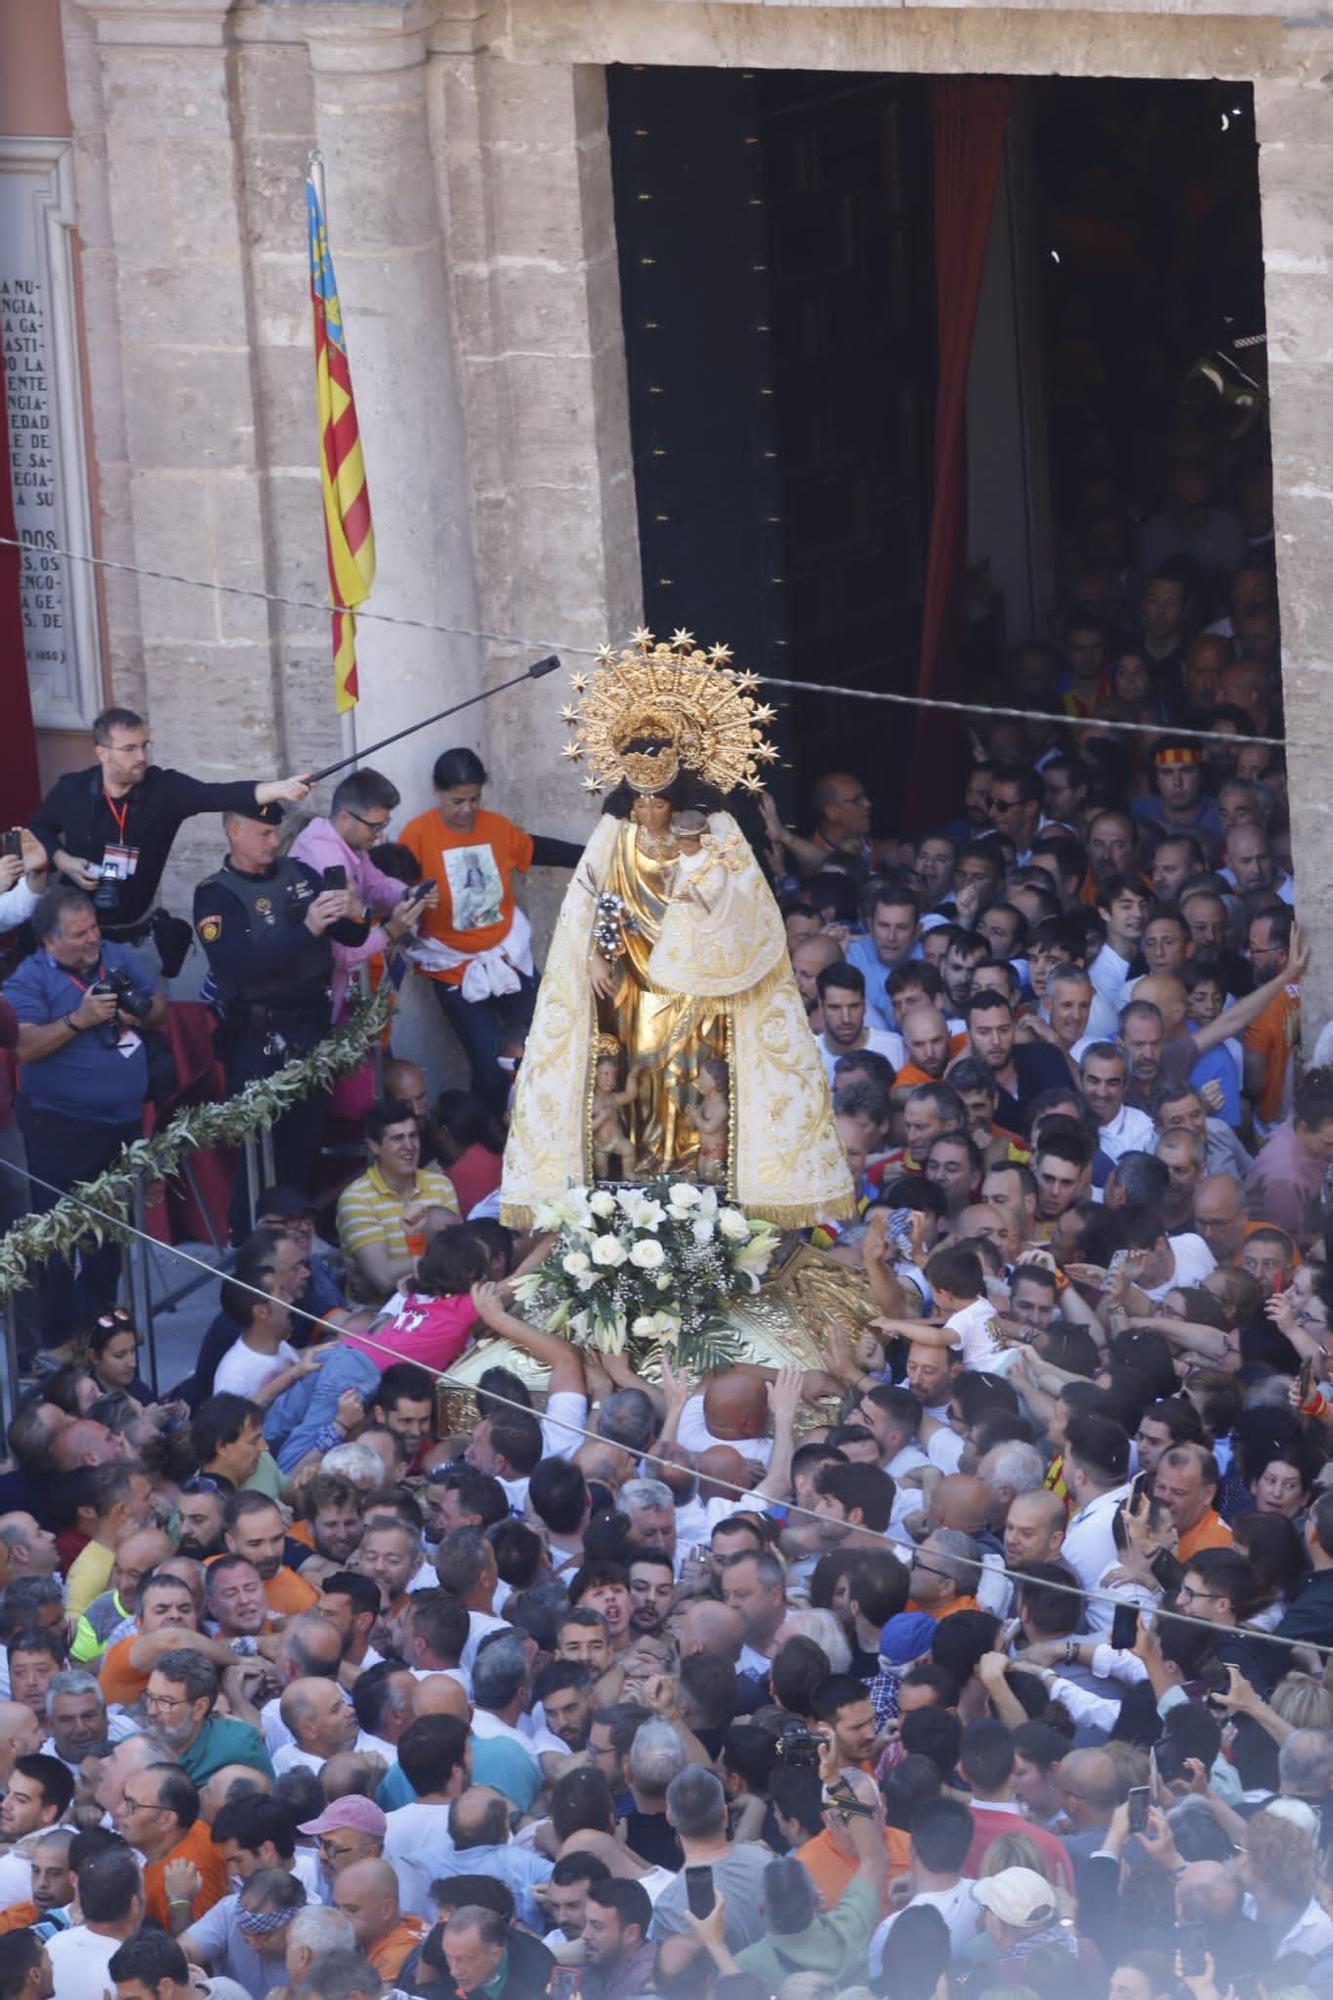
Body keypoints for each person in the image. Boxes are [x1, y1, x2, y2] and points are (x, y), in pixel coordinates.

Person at [501, 634, 853, 1226]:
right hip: (630, 980)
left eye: (656, 798)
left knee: (691, 1074)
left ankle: (700, 1178)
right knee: (636, 1072)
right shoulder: (614, 832)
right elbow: (592, 901)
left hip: (698, 978)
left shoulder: (713, 829)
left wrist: (700, 882)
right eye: (638, 798)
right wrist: (593, 955)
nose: (646, 810)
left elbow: (745, 902)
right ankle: (639, 1181)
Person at [28, 704, 311, 975]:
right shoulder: (72, 789)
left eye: (144, 745)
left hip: (135, 938)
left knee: (145, 1016)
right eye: (129, 749)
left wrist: (281, 788)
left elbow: (218, 794)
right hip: (74, 940)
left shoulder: (163, 790)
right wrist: (63, 860)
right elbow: (38, 828)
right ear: (102, 753)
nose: (141, 756)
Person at [192, 799, 367, 1237]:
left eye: (276, 832)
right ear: (234, 831)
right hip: (256, 1038)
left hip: (310, 1032)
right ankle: (248, 1246)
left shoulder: (299, 875)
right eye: (264, 833)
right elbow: (237, 963)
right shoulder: (215, 894)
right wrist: (304, 929)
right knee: (256, 1153)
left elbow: (350, 934)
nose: (275, 841)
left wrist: (354, 909)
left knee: (302, 1143)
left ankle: (293, 1241)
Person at [4, 887, 167, 1342]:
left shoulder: (113, 956)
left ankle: (100, 1336)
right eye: (80, 933)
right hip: (58, 1127)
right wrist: (80, 1019)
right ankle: (56, 1340)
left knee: (108, 1239)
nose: (93, 938)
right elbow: (24, 1048)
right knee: (55, 1242)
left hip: (120, 1125)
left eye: (94, 926)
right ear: (50, 941)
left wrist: (141, 1010)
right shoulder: (28, 979)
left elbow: (160, 1008)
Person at [397, 747, 583, 1114]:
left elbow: (535, 849)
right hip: (452, 966)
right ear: (437, 791)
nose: (467, 810)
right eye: (457, 801)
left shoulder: (496, 827)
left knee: (546, 1039)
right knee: (489, 1067)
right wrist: (410, 901)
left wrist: (592, 852)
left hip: (507, 955)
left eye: (474, 799)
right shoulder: (417, 835)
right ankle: (487, 1147)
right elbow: (394, 888)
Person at [335, 1101, 460, 1305]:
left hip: (439, 1302)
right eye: (397, 1138)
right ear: (374, 1146)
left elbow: (459, 1256)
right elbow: (382, 1278)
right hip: (379, 1312)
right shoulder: (356, 1199)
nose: (409, 1147)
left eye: (413, 1136)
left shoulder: (440, 1185)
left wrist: (415, 1268)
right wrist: (432, 1250)